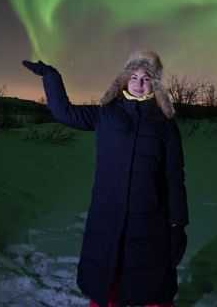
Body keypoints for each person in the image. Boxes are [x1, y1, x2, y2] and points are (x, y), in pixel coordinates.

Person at [22, 49, 188, 307]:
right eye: (134, 76)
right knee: (107, 278)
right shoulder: (105, 114)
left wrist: (178, 224)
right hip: (107, 215)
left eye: (146, 78)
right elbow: (64, 112)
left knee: (150, 286)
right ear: (124, 79)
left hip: (149, 220)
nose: (139, 82)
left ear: (154, 83)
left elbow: (174, 176)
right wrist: (52, 77)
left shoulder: (164, 124)